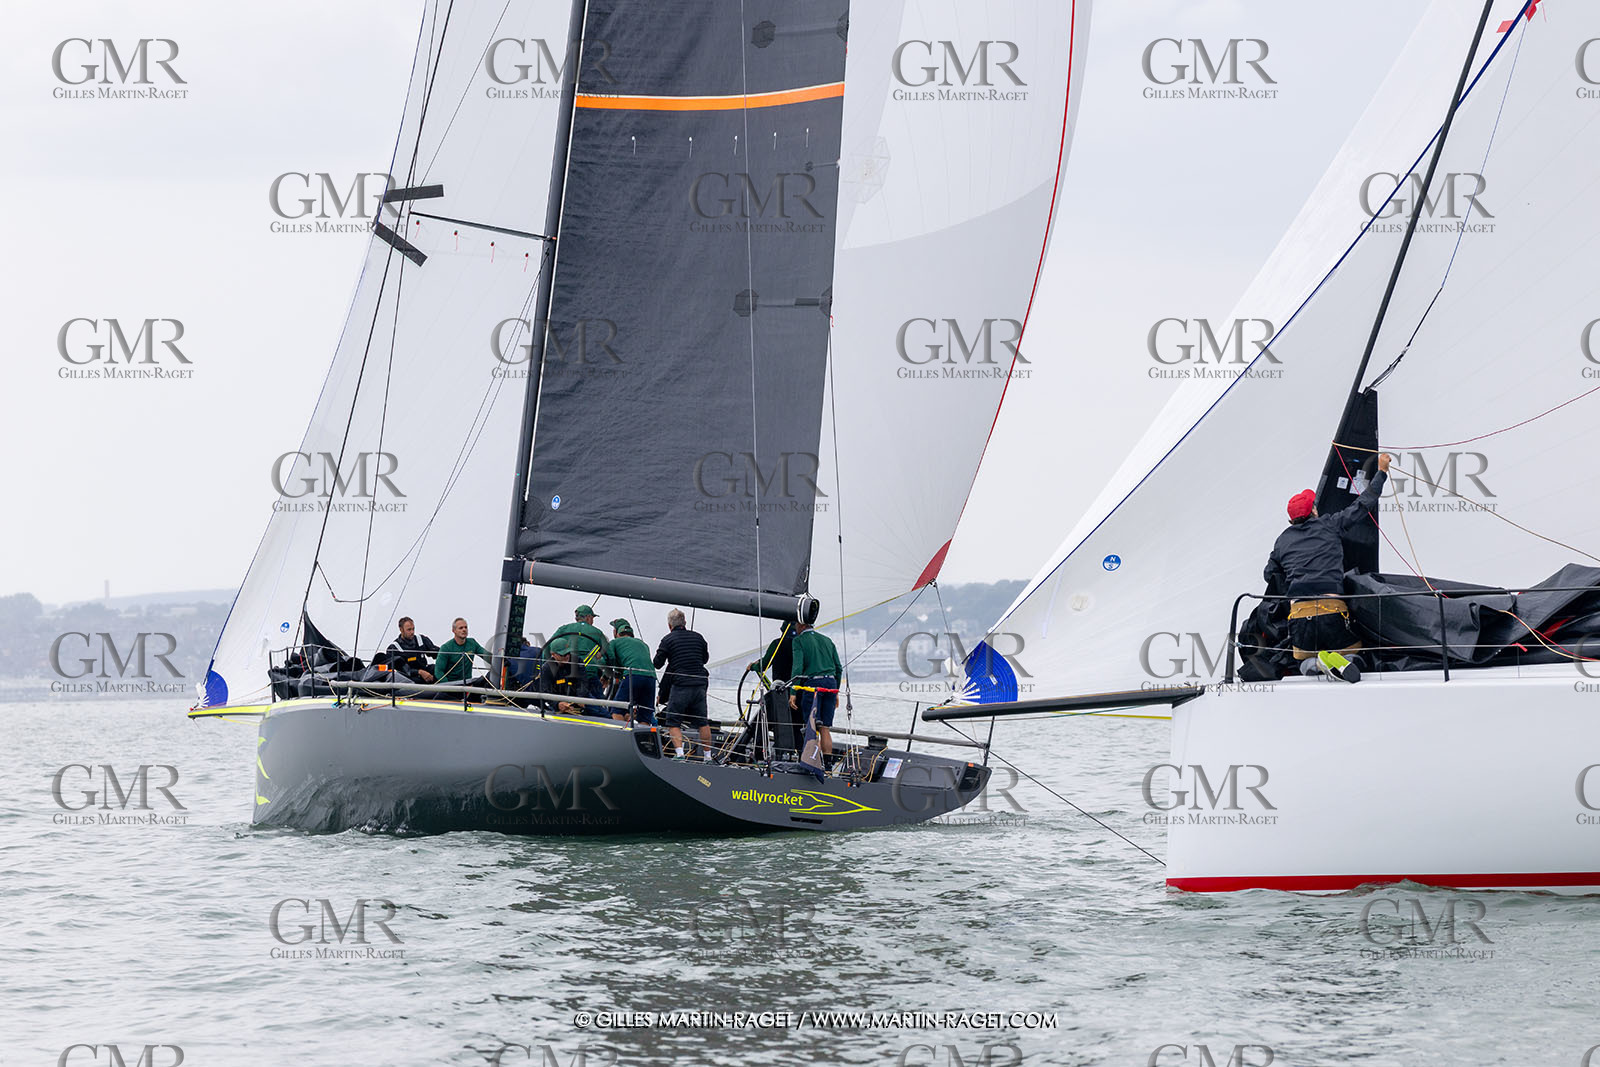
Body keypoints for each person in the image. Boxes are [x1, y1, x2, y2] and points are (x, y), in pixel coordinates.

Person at [1264, 452, 1391, 683]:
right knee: (1356, 652)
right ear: (1313, 511)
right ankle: (1344, 661)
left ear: (1291, 520)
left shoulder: (1282, 541)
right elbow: (1363, 505)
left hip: (1299, 620)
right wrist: (1381, 472)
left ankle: (1313, 663)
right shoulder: (1330, 525)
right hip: (1333, 613)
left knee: (1300, 658)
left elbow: (1269, 575)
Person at [653, 608, 712, 760]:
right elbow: (704, 659)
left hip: (681, 685)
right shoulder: (699, 637)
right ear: (684, 623)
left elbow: (658, 664)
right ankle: (708, 757)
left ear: (669, 625)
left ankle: (680, 754)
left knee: (673, 722)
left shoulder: (668, 640)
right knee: (702, 722)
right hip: (700, 684)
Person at [790, 620, 843, 758]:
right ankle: (828, 765)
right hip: (831, 684)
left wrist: (793, 691)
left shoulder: (799, 641)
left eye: (796, 625)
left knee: (811, 726)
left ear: (801, 625)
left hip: (813, 685)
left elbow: (797, 668)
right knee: (825, 727)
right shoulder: (827, 640)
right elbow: (838, 668)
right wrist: (836, 691)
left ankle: (812, 761)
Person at [602, 619, 656, 725]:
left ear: (616, 632)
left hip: (633, 676)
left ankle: (619, 739)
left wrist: (605, 676)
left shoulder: (614, 642)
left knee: (616, 710)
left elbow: (609, 658)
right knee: (644, 716)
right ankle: (643, 740)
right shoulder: (643, 644)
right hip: (651, 677)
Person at [551, 604, 609, 699]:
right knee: (599, 701)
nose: (593, 621)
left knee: (561, 698)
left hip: (568, 673)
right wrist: (605, 676)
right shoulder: (597, 632)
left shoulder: (564, 629)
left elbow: (550, 647)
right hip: (589, 673)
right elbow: (609, 655)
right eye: (592, 618)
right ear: (588, 617)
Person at [534, 637, 589, 714]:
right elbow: (545, 691)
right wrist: (557, 704)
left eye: (568, 653)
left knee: (601, 712)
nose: (567, 656)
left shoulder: (577, 661)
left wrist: (580, 698)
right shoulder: (546, 668)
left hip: (578, 699)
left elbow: (583, 682)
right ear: (553, 654)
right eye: (563, 654)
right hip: (557, 702)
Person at [434, 617, 492, 686]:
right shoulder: (446, 648)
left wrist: (501, 659)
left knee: (486, 681)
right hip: (452, 686)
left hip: (467, 684)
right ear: (453, 630)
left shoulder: (472, 643)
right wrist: (448, 687)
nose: (464, 630)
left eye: (465, 627)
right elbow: (438, 671)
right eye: (461, 628)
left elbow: (486, 656)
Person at [386, 617, 438, 684]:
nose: (412, 632)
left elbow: (436, 652)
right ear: (401, 630)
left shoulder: (421, 640)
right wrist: (419, 672)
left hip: (425, 671)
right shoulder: (394, 648)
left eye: (413, 629)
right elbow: (401, 670)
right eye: (409, 630)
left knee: (437, 669)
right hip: (409, 678)